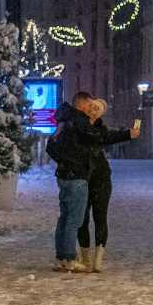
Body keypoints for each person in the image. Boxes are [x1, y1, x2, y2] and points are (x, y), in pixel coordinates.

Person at [76, 98, 139, 273]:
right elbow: (100, 137)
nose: (94, 110)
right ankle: (85, 256)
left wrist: (128, 134)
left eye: (98, 109)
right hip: (82, 177)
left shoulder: (101, 130)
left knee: (100, 217)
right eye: (92, 107)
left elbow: (108, 137)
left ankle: (98, 258)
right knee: (82, 218)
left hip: (101, 177)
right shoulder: (80, 127)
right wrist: (126, 134)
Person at [48, 91, 107, 272]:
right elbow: (98, 137)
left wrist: (64, 161)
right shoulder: (78, 121)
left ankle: (61, 257)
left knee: (65, 218)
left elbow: (52, 146)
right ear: (81, 105)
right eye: (89, 105)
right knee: (74, 219)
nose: (91, 108)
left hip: (64, 175)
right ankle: (70, 259)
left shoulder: (64, 120)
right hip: (76, 176)